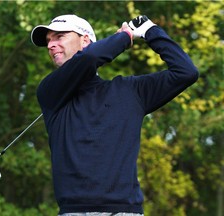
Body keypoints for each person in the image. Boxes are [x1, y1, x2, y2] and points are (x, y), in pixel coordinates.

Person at [31, 14, 198, 216]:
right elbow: (89, 59)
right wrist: (125, 37)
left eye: (59, 36)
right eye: (48, 40)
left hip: (126, 211)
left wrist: (150, 31)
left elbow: (186, 72)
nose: (51, 45)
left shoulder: (131, 91)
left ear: (85, 40)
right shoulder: (50, 92)